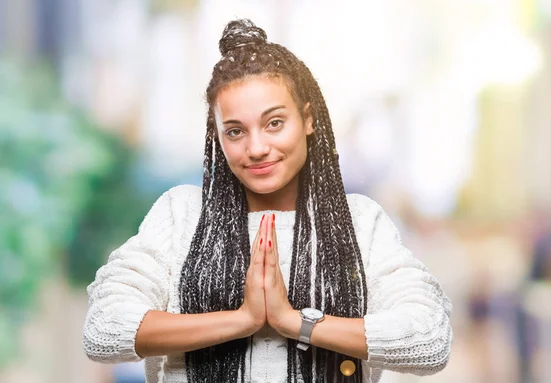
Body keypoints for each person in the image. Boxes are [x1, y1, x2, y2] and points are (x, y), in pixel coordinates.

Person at [82, 19, 453, 383]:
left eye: (274, 122)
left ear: (307, 119)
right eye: (235, 131)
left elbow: (429, 339)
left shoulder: (359, 222)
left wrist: (293, 321)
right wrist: (242, 320)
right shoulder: (182, 215)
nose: (256, 148)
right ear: (217, 136)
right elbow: (104, 330)